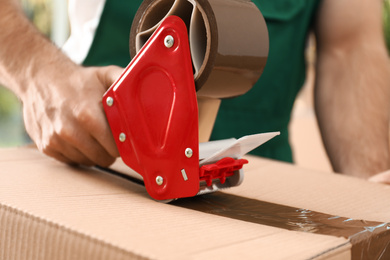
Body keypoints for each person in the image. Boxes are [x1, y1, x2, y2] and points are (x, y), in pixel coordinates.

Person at [0, 0, 389, 182]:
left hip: (257, 180)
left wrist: (372, 195)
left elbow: (350, 47)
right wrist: (37, 71)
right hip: (95, 159)